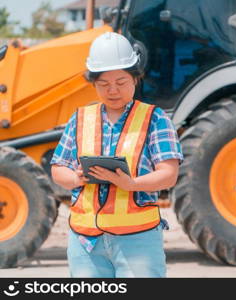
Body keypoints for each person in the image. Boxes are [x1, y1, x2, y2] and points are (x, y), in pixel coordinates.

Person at [50, 32, 183, 278]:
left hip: (137, 241)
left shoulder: (155, 119)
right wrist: (76, 178)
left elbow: (169, 174)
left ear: (135, 79)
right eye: (104, 84)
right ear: (94, 84)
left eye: (121, 83)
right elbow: (58, 168)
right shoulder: (80, 119)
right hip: (86, 242)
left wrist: (132, 184)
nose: (113, 90)